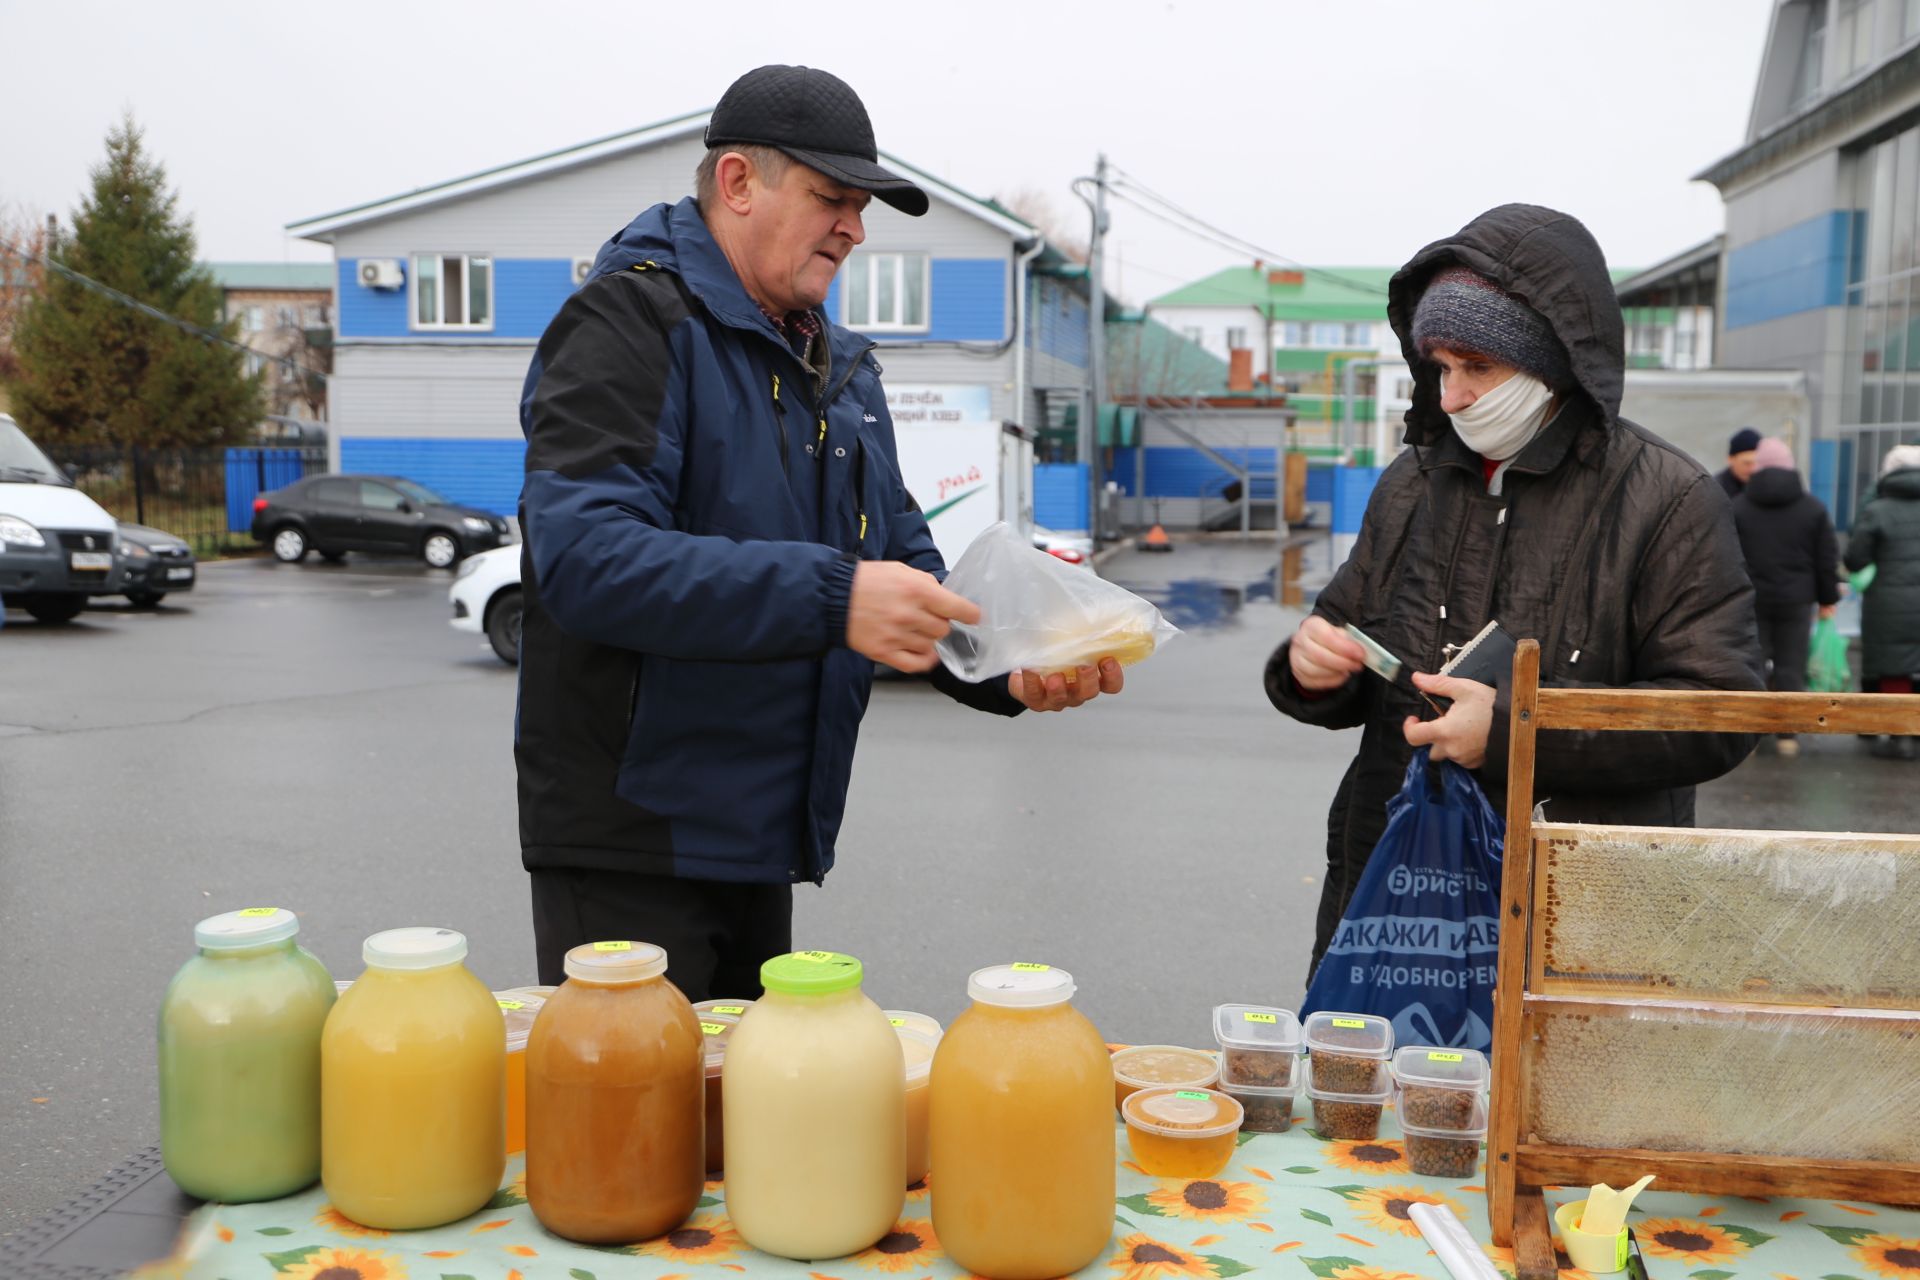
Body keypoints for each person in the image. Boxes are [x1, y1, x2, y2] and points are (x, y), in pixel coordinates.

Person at [515, 65, 1123, 999]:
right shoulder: (629, 321)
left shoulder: (836, 367)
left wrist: (1011, 666)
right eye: (830, 197)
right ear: (738, 183)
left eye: (861, 204)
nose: (855, 226)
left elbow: (905, 568)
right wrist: (834, 596)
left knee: (749, 1131)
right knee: (637, 1135)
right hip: (631, 842)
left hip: (762, 834)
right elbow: (586, 560)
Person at [1266, 204, 1764, 972]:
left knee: (1547, 1092)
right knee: (1382, 1089)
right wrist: (1311, 670)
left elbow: (1717, 712)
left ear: (1554, 361)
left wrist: (1513, 736)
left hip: (1575, 907)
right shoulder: (1412, 480)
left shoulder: (1667, 498)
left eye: (1479, 367)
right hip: (1392, 895)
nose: (1454, 395)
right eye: (1440, 367)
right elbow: (1351, 632)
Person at [1730, 437, 1840, 757]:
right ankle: (1787, 734)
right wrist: (1828, 598)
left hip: (1751, 599)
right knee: (1791, 665)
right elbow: (1826, 558)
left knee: (1752, 663)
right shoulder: (1813, 508)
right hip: (1797, 599)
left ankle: (1751, 733)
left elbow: (1727, 556)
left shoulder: (1738, 507)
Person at [1844, 443, 1920, 760]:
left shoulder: (1877, 509)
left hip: (1888, 600)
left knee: (1893, 665)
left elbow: (1855, 559)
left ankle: (1896, 730)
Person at [1717, 427, 1762, 500]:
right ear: (1730, 459)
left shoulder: (1771, 485)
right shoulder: (1716, 490)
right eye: (1747, 463)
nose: (1752, 469)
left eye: (1757, 462)